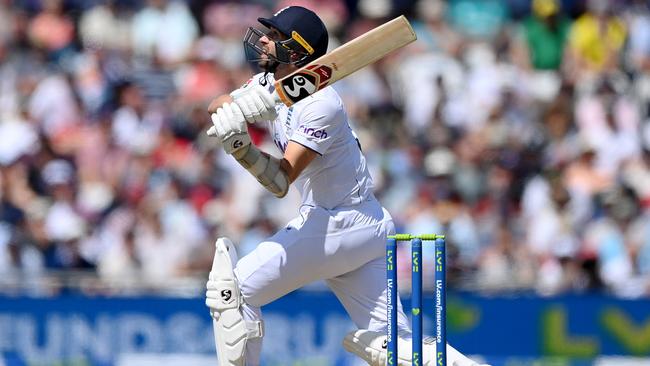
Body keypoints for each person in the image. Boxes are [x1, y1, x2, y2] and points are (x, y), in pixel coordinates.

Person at [204, 6, 486, 366]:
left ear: (296, 50)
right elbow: (218, 103)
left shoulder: (323, 104)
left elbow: (280, 181)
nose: (262, 40)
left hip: (337, 222)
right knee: (398, 347)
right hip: (361, 226)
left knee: (234, 291)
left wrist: (242, 147)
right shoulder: (268, 84)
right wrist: (232, 110)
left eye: (274, 37)